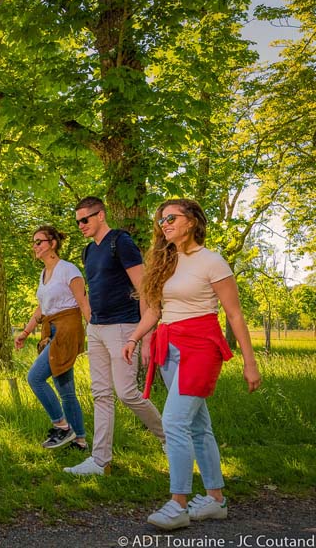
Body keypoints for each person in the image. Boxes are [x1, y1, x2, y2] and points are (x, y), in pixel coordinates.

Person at [122, 199, 262, 530]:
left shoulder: (212, 261)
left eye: (171, 217)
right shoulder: (166, 261)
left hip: (201, 348)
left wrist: (250, 362)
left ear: (192, 221)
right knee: (198, 426)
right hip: (169, 348)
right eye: (161, 220)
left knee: (174, 423)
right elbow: (155, 310)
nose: (164, 224)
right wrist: (135, 338)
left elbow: (234, 315)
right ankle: (215, 499)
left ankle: (178, 505)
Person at [64, 197, 165, 476]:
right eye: (77, 221)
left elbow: (144, 289)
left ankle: (169, 438)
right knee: (101, 394)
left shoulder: (120, 242)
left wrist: (146, 335)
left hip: (123, 327)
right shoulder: (88, 251)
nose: (81, 225)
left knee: (127, 393)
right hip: (96, 328)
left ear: (101, 215)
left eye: (85, 219)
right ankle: (100, 461)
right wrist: (90, 321)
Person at [15, 225, 91, 450]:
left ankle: (62, 426)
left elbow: (83, 303)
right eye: (34, 242)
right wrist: (25, 332)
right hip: (52, 330)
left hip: (67, 330)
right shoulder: (44, 274)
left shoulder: (68, 270)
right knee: (66, 390)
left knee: (35, 378)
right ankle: (80, 441)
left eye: (39, 241)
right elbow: (42, 308)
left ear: (53, 244)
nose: (35, 246)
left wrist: (95, 332)